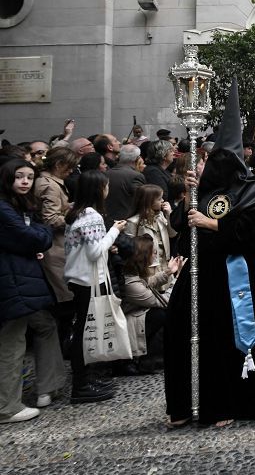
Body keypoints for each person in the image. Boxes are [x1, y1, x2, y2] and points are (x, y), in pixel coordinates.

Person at [164, 79, 255, 426]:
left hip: (231, 275)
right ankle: (183, 404)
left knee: (223, 337)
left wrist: (212, 225)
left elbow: (249, 236)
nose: (212, 165)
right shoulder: (202, 189)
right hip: (198, 272)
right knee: (181, 332)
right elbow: (181, 226)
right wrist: (188, 197)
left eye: (218, 160)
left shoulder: (252, 191)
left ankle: (226, 403)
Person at [0, 160, 66, 424]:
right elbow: (37, 237)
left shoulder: (17, 206)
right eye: (19, 177)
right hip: (12, 282)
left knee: (43, 326)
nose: (25, 182)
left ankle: (46, 389)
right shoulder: (5, 209)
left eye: (29, 177)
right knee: (12, 342)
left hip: (19, 280)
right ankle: (8, 406)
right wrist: (37, 236)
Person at [64, 170, 124, 403]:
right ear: (99, 189)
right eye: (106, 185)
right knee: (84, 332)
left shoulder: (76, 212)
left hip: (77, 277)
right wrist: (114, 231)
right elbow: (95, 252)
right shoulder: (92, 216)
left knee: (83, 330)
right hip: (87, 279)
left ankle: (86, 379)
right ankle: (80, 385)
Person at [32, 146, 77, 333]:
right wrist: (74, 218)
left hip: (54, 246)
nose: (72, 170)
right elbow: (50, 218)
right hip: (54, 248)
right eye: (70, 167)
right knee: (63, 299)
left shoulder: (47, 181)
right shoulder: (50, 185)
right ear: (59, 164)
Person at [122, 234, 182, 372]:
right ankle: (150, 361)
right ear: (143, 256)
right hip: (128, 321)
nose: (155, 255)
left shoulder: (131, 274)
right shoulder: (130, 283)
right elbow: (165, 302)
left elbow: (147, 283)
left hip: (132, 315)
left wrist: (168, 272)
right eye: (153, 252)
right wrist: (177, 278)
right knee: (161, 314)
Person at [124, 184, 178, 290]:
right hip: (148, 269)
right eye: (159, 199)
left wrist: (169, 215)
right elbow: (130, 250)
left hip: (165, 264)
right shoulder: (133, 222)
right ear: (148, 201)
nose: (163, 200)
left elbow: (173, 234)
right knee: (155, 299)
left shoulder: (161, 216)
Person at [105, 145, 146, 224]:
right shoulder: (136, 176)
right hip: (125, 222)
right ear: (138, 158)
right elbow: (141, 200)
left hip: (107, 220)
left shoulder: (106, 173)